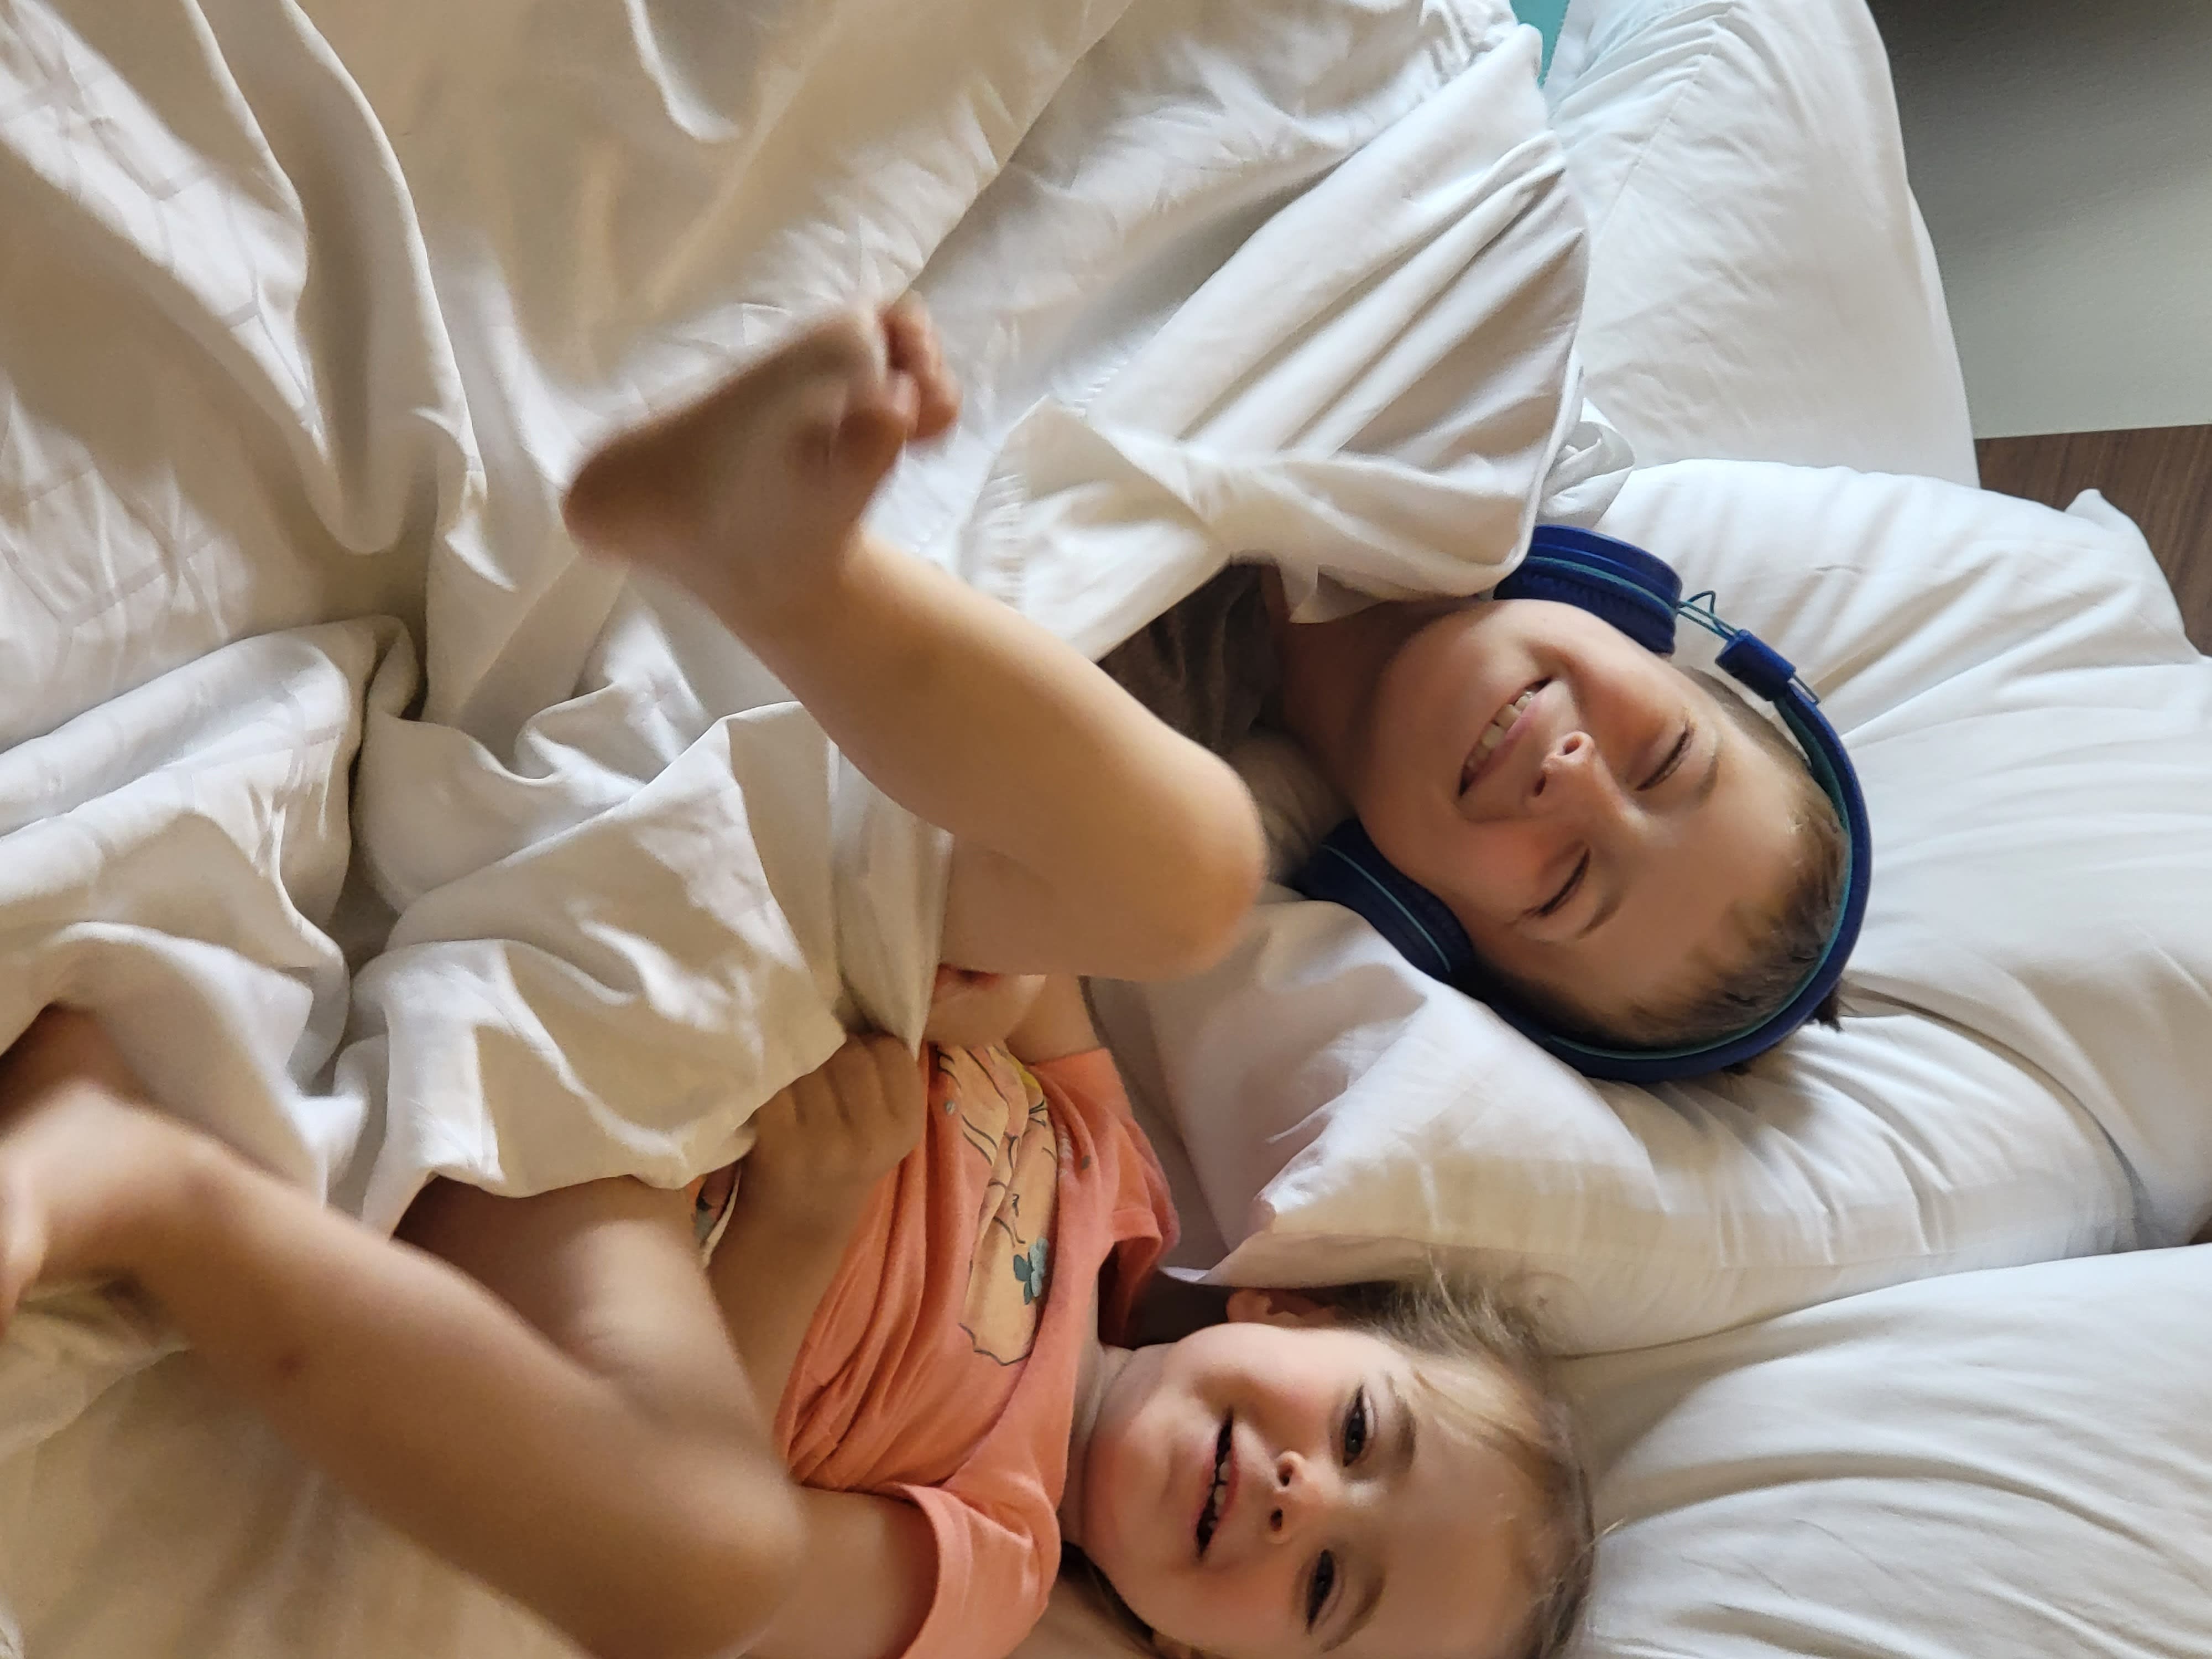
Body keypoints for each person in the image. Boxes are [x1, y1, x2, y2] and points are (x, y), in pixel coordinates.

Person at [0, 300, 1590, 1659]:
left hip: (600, 1182)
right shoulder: (1123, 1188)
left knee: (704, 1570)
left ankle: (138, 1179)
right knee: (1195, 875)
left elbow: (725, 1497)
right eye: (1361, 1431)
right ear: (1292, 1308)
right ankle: (779, 566)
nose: (1304, 1499)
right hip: (716, 924)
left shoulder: (993, 1564)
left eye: (1324, 1594)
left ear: (1196, 1653)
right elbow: (1028, 975)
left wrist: (797, 1228)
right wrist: (991, 990)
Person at [1103, 538, 1853, 1060]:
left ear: (1413, 914)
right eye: (1666, 756)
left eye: (1566, 886)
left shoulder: (1122, 710)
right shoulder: (1481, 425)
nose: (1577, 777)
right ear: (1638, 626)